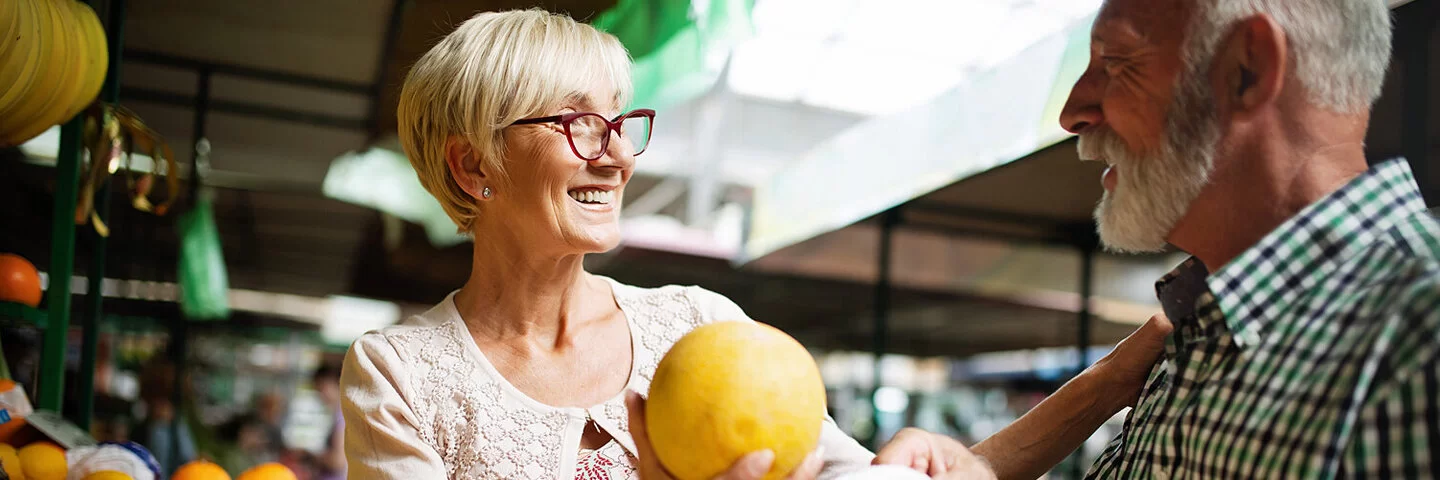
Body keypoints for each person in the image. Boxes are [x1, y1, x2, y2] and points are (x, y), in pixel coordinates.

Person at [875, 0, 1440, 478]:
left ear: (1247, 67)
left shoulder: (1421, 339)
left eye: (1116, 62)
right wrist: (983, 466)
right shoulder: (1195, 337)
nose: (1073, 112)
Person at [339, 9, 877, 479]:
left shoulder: (699, 323)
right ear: (473, 163)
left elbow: (850, 470)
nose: (619, 157)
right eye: (580, 123)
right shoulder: (399, 372)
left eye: (618, 122)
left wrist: (939, 462)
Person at [311, 364, 345, 480]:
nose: (320, 394)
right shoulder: (341, 413)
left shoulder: (342, 415)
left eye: (321, 388)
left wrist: (312, 456)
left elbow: (338, 461)